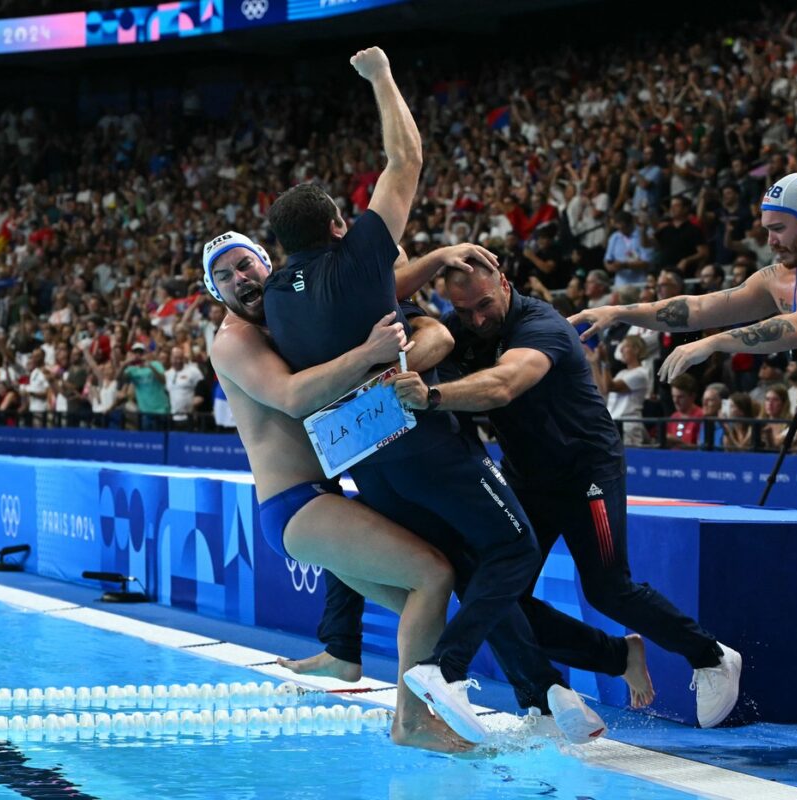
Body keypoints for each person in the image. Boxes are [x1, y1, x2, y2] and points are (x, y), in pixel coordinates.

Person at [259, 46, 604, 746]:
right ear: (337, 227)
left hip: (356, 453)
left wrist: (429, 269)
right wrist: (381, 76)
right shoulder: (356, 253)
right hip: (409, 429)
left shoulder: (271, 302)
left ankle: (544, 693)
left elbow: (373, 302)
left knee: (472, 562)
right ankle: (442, 672)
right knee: (512, 548)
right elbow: (406, 158)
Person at [570, 173, 797, 757]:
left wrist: (715, 345)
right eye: (765, 229)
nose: (769, 240)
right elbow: (695, 306)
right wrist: (621, 311)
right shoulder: (779, 278)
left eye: (778, 228)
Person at [392, 262, 742, 729]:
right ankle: (598, 666)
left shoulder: (542, 326)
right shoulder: (460, 328)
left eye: (483, 305)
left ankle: (711, 656)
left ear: (505, 286)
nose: (475, 319)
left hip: (586, 472)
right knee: (497, 593)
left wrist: (432, 395)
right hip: (527, 477)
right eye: (463, 310)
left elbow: (504, 384)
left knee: (607, 588)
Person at [202, 230, 465, 754]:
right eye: (224, 276)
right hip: (297, 506)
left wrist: (434, 262)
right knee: (432, 576)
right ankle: (410, 722)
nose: (239, 279)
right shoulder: (233, 340)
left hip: (319, 499)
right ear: (215, 293)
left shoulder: (282, 311)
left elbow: (381, 288)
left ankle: (417, 694)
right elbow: (293, 397)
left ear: (266, 264)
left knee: (432, 610)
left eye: (244, 265)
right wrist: (370, 351)